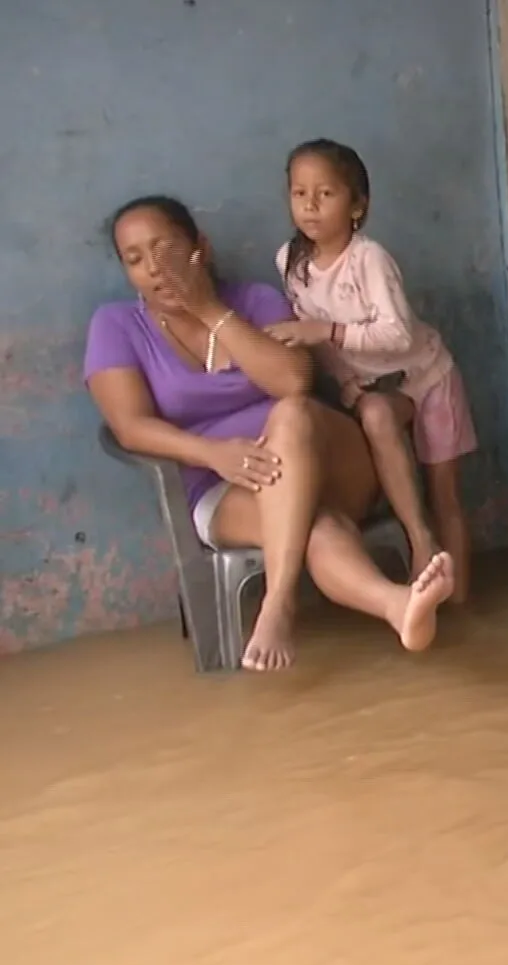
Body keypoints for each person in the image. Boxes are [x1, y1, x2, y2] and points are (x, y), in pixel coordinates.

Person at [85, 195, 455, 672]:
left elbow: (293, 382)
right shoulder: (116, 326)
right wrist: (212, 453)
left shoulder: (255, 301)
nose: (155, 270)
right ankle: (398, 606)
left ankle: (278, 601)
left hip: (329, 461)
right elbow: (129, 426)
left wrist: (209, 309)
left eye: (165, 251)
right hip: (222, 485)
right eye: (135, 260)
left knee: (292, 414)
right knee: (317, 527)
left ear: (201, 248)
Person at [264, 139, 479, 602]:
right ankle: (420, 543)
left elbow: (398, 335)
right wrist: (348, 388)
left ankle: (460, 605)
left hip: (428, 377)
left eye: (326, 193)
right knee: (377, 416)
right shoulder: (290, 262)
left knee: (447, 496)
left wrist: (330, 331)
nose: (311, 205)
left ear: (357, 204)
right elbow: (312, 345)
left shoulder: (370, 259)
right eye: (299, 193)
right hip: (377, 389)